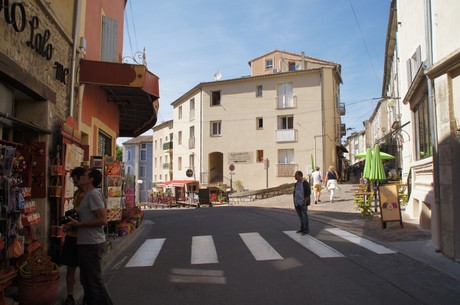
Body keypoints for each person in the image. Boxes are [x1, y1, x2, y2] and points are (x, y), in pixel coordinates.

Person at [67, 168, 113, 305]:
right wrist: (72, 225)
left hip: (92, 244)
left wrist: (80, 224)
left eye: (85, 175)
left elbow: (103, 220)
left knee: (94, 281)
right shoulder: (87, 195)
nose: (81, 177)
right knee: (86, 281)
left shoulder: (93, 194)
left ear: (91, 179)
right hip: (85, 243)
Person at [61, 167, 86, 305]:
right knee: (70, 268)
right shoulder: (77, 193)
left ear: (80, 177)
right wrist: (69, 224)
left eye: (74, 179)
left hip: (83, 236)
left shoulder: (88, 195)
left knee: (84, 270)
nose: (74, 182)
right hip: (72, 235)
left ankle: (86, 295)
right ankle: (70, 296)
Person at [293, 171, 311, 235]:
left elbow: (308, 193)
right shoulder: (296, 183)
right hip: (297, 203)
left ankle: (306, 229)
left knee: (304, 216)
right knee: (300, 217)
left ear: (300, 175)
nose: (294, 176)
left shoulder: (305, 183)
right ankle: (302, 228)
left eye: (296, 175)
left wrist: (305, 202)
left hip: (303, 202)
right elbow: (295, 193)